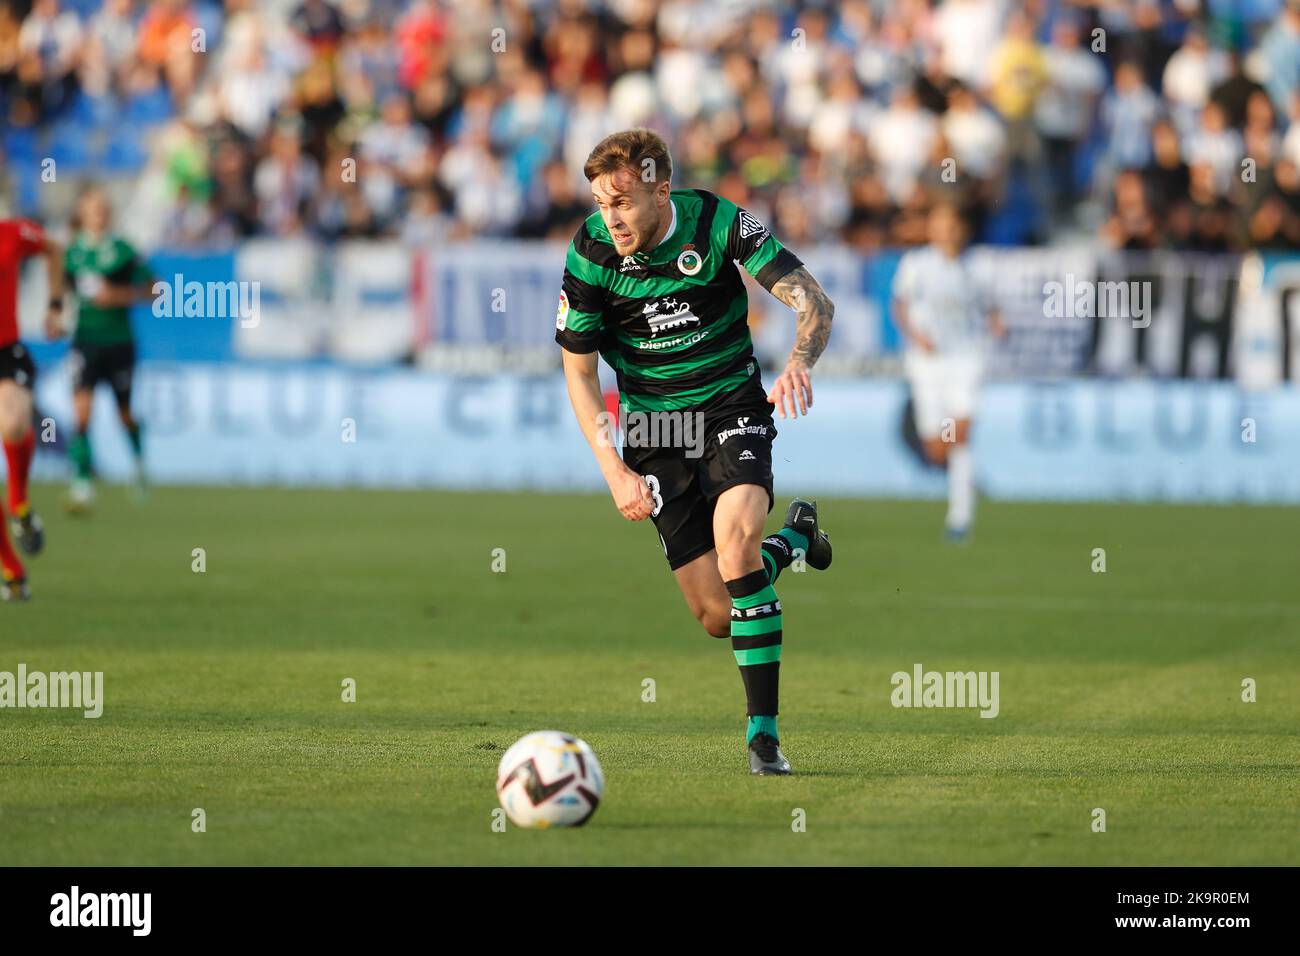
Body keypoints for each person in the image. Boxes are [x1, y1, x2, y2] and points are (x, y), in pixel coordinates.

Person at [556, 128, 835, 775]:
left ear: (660, 189)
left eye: (622, 200)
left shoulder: (716, 222)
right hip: (655, 435)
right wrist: (613, 469)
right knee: (717, 614)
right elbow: (578, 373)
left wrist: (798, 362)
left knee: (736, 549)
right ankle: (795, 541)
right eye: (601, 202)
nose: (611, 216)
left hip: (731, 408)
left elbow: (811, 300)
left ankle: (762, 737)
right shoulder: (592, 254)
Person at [892, 202, 1003, 541]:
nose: (947, 233)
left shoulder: (979, 265)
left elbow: (990, 306)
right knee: (938, 448)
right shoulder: (916, 264)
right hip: (927, 365)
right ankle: (965, 492)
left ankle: (960, 518)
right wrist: (917, 336)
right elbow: (899, 305)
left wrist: (998, 324)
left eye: (952, 225)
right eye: (940, 225)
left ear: (962, 229)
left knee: (961, 433)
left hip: (966, 360)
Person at [56, 185, 153, 511]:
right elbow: (61, 298)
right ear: (81, 212)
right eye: (92, 207)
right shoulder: (70, 254)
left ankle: (139, 466)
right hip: (84, 342)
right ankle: (82, 481)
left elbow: (157, 290)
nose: (98, 212)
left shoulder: (124, 250)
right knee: (82, 412)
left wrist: (119, 296)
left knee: (123, 413)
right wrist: (55, 316)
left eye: (102, 207)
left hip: (119, 342)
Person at [0, 216, 64, 601]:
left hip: (6, 353)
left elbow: (53, 249)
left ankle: (20, 502)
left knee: (13, 424)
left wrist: (55, 305)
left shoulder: (12, 233)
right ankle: (12, 569)